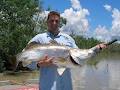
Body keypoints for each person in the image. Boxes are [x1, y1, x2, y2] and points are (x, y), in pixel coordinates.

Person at [27, 11, 107, 90]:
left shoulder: (68, 39)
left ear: (59, 23)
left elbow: (80, 55)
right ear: (47, 22)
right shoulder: (39, 38)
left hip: (66, 86)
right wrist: (39, 64)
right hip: (47, 87)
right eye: (51, 21)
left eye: (57, 21)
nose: (54, 23)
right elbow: (25, 61)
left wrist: (96, 49)